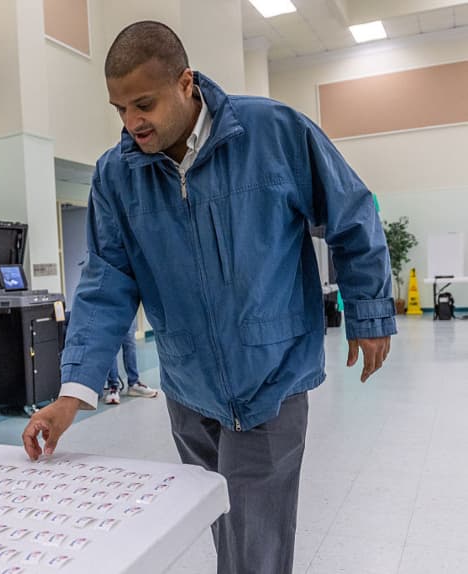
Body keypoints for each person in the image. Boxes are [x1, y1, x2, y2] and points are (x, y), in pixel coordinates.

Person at [22, 21, 395, 574]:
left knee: (256, 540)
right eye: (119, 109)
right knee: (225, 523)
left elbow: (352, 214)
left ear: (186, 83)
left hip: (271, 376)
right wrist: (72, 392)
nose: (131, 124)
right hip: (189, 388)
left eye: (143, 104)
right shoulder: (116, 176)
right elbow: (106, 283)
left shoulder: (274, 132)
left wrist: (369, 313)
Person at [104, 319, 158, 404]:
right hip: (108, 310)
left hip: (128, 307)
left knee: (129, 342)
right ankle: (113, 387)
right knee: (110, 344)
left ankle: (133, 384)